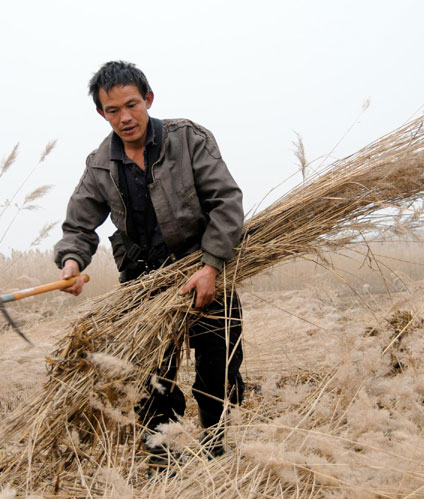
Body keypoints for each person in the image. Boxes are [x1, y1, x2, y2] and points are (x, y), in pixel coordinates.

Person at [54, 61, 245, 460]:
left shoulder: (188, 139)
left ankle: (217, 447)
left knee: (219, 367)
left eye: (132, 105)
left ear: (149, 99)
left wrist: (210, 266)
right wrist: (72, 262)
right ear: (101, 113)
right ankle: (163, 454)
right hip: (144, 281)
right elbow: (79, 226)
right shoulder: (100, 164)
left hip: (203, 268)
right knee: (150, 377)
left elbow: (226, 203)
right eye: (113, 110)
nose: (125, 118)